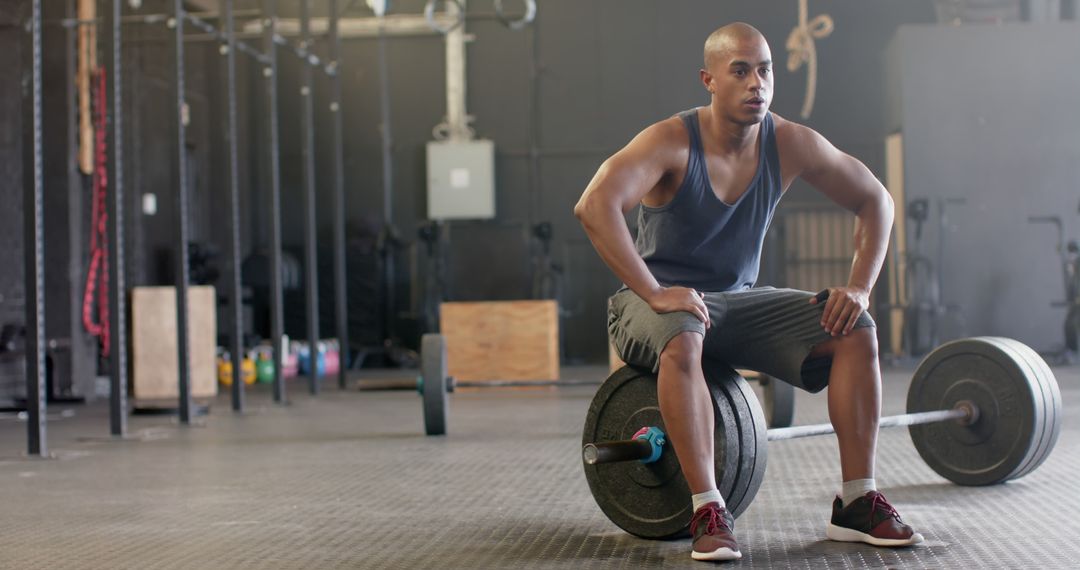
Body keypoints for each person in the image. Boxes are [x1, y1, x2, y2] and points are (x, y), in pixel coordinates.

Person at [573, 22, 923, 562]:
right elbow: (595, 205)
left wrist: (860, 287)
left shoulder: (789, 142)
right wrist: (654, 290)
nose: (757, 83)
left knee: (855, 329)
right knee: (684, 328)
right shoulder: (670, 140)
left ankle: (857, 501)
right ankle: (708, 509)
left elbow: (877, 200)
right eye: (740, 71)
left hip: (736, 303)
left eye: (765, 70)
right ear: (709, 80)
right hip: (649, 306)